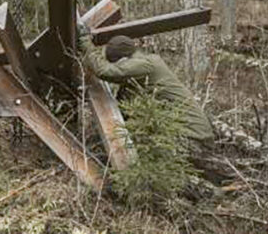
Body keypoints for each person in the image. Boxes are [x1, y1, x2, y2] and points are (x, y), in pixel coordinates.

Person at [77, 32, 228, 185]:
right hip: (192, 135)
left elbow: (105, 71)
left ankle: (209, 190)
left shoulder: (144, 65)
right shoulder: (145, 67)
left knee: (154, 164)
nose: (119, 67)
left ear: (124, 59)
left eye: (118, 63)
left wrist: (85, 42)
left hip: (193, 138)